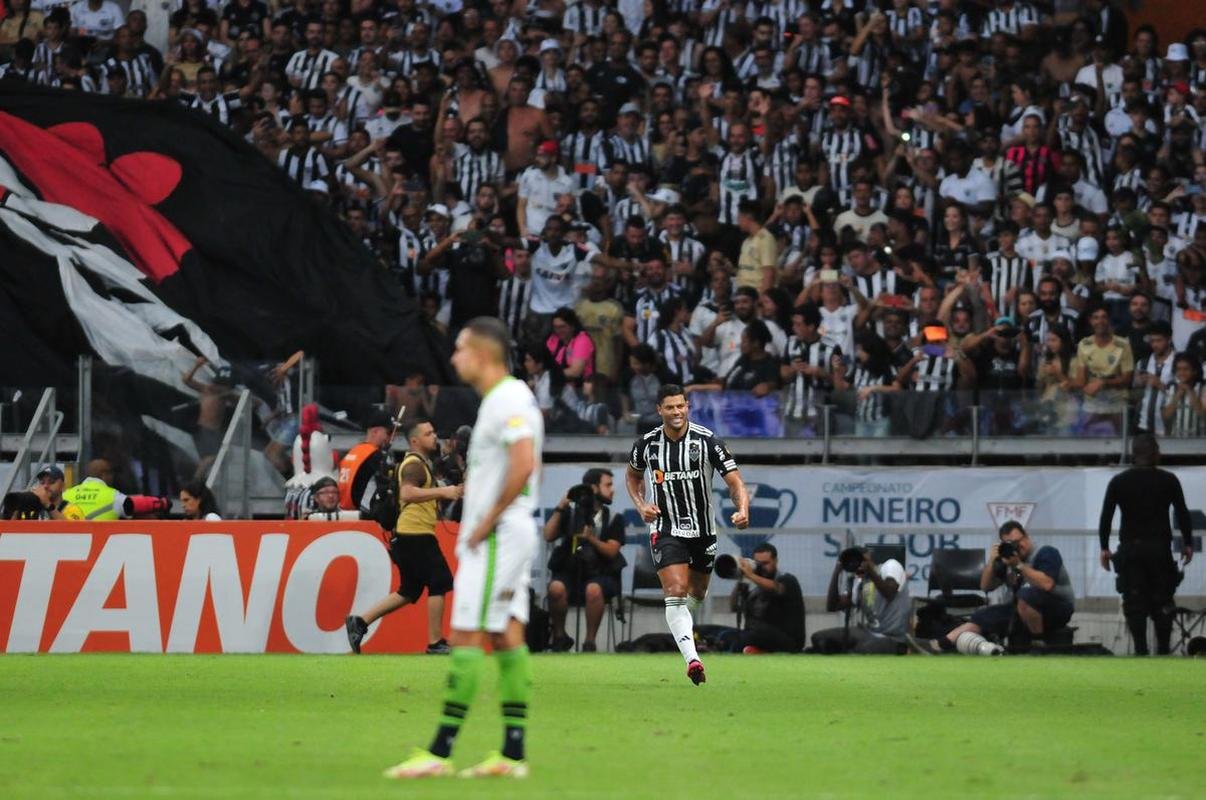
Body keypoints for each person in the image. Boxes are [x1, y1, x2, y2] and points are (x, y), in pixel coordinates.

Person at [385, 317, 542, 779]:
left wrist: (485, 523)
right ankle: (512, 755)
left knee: (469, 634)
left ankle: (440, 750)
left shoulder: (509, 398)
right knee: (505, 635)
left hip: (497, 536)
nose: (453, 358)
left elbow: (524, 463)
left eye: (459, 349)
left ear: (483, 353)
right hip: (506, 533)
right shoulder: (503, 400)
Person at [625, 384, 750, 685]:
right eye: (670, 407)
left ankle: (683, 627)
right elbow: (632, 475)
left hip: (703, 531)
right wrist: (642, 505)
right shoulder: (647, 444)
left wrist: (743, 509)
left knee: (696, 593)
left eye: (681, 406)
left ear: (687, 407)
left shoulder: (708, 441)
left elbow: (735, 482)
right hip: (666, 529)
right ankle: (692, 659)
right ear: (660, 410)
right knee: (675, 591)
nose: (677, 412)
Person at [347, 420, 464, 656]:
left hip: (409, 535)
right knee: (439, 581)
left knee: (409, 590)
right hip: (415, 534)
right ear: (414, 441)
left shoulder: (422, 464)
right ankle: (435, 643)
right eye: (428, 434)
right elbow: (408, 492)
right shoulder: (413, 465)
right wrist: (444, 492)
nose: (434, 437)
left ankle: (360, 622)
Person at [1098, 434, 1194, 655]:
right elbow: (1182, 513)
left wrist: (1104, 547)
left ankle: (1140, 649)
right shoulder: (1168, 480)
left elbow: (1106, 517)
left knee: (1134, 600)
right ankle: (1162, 649)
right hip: (1159, 549)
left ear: (1134, 454)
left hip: (1131, 548)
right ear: (1156, 453)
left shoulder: (1119, 481)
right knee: (1162, 599)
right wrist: (1187, 543)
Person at [915, 522, 1074, 655]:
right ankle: (939, 645)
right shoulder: (1008, 560)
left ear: (1027, 537)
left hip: (1058, 607)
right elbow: (986, 586)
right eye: (1012, 545)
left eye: (1019, 542)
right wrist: (992, 561)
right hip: (1024, 609)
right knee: (983, 615)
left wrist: (1019, 565)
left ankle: (1038, 642)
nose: (1018, 547)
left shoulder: (1046, 553)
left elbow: (1046, 584)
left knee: (1025, 596)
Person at [543, 468, 626, 652]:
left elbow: (612, 551)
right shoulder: (572, 513)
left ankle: (589, 642)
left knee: (593, 589)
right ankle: (559, 637)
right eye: (608, 485)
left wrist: (591, 539)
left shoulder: (614, 518)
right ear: (593, 488)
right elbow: (548, 535)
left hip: (601, 573)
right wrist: (561, 506)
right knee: (556, 588)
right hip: (571, 572)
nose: (612, 489)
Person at [812, 549, 910, 654]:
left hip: (891, 637)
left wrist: (870, 571)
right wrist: (837, 572)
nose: (857, 564)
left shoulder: (890, 566)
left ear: (869, 558)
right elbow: (832, 606)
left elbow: (889, 593)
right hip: (868, 632)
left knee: (859, 651)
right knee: (819, 639)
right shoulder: (859, 584)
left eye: (859, 560)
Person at [726, 543, 805, 654]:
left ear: (775, 561)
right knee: (725, 634)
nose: (762, 567)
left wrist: (751, 576)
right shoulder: (752, 583)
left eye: (766, 563)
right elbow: (734, 606)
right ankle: (755, 651)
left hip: (787, 639)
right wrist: (741, 578)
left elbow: (776, 588)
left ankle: (743, 652)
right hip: (757, 635)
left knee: (755, 633)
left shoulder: (788, 580)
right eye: (758, 563)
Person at [61, 459, 169, 520]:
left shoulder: (66, 494)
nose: (113, 476)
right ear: (103, 475)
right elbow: (134, 504)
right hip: (99, 545)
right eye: (111, 473)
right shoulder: (113, 496)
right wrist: (163, 503)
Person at [335, 410, 392, 513]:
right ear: (375, 432)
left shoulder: (353, 451)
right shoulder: (376, 455)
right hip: (364, 513)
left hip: (344, 511)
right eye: (388, 433)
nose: (390, 438)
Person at [2, 465, 66, 520]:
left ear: (62, 485)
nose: (46, 486)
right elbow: (12, 530)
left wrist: (47, 504)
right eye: (42, 483)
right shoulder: (32, 508)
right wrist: (18, 506)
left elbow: (69, 530)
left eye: (51, 482)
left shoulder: (70, 508)